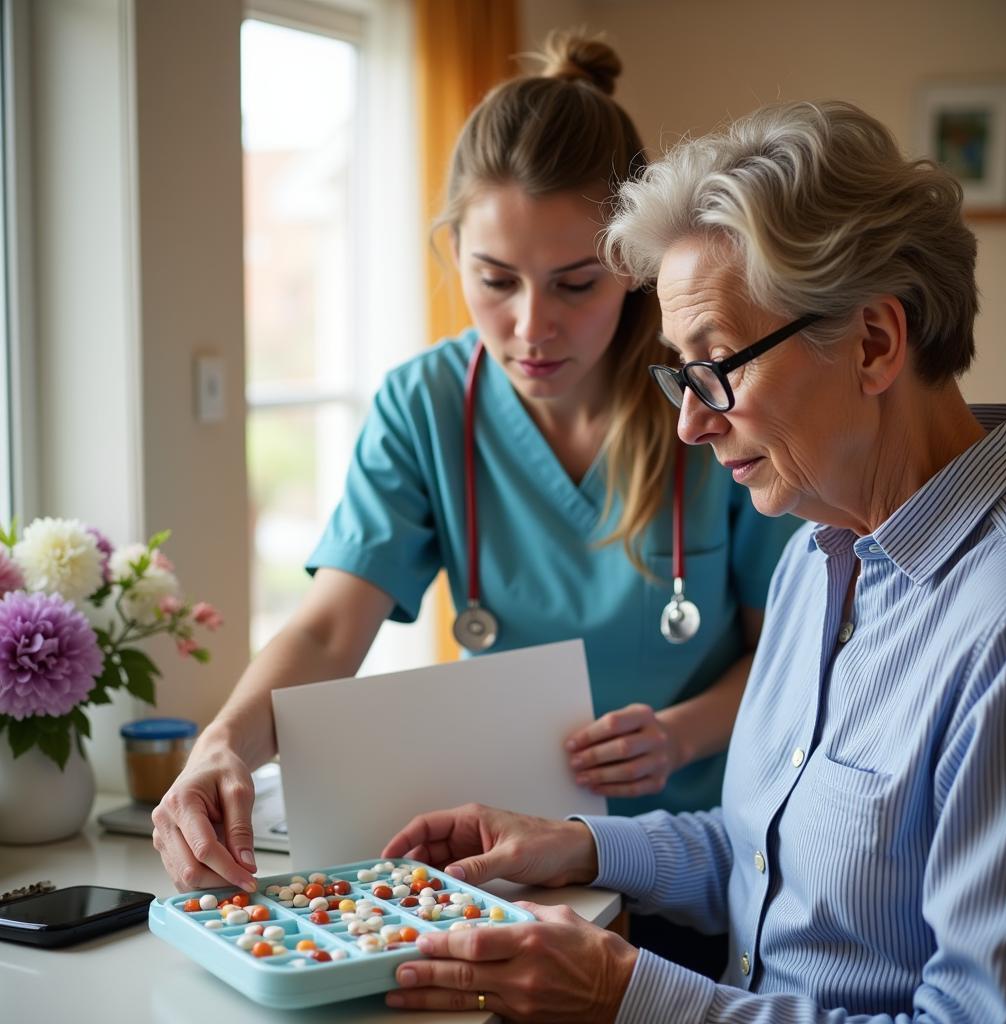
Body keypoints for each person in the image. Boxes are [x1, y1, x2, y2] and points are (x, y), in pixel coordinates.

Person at [151, 31, 796, 972]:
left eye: (576, 283)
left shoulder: (708, 403)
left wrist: (679, 734)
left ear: (633, 265)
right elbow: (330, 632)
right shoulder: (422, 408)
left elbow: (789, 650)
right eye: (494, 281)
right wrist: (223, 748)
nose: (531, 328)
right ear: (452, 250)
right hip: (508, 867)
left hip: (701, 864)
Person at [378, 99, 1006, 1022]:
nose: (689, 422)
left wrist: (623, 992)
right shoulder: (818, 555)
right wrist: (579, 847)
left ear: (875, 342)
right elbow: (763, 852)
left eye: (718, 365)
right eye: (678, 373)